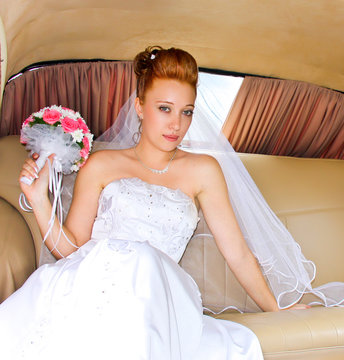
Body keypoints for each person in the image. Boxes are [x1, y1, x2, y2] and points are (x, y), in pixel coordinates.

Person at [0, 46, 308, 359]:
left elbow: (238, 254)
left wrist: (275, 309)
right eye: (165, 108)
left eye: (186, 111)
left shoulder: (203, 171)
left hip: (160, 296)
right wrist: (39, 201)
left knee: (143, 261)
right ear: (139, 106)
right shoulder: (101, 165)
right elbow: (71, 249)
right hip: (91, 285)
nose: (176, 124)